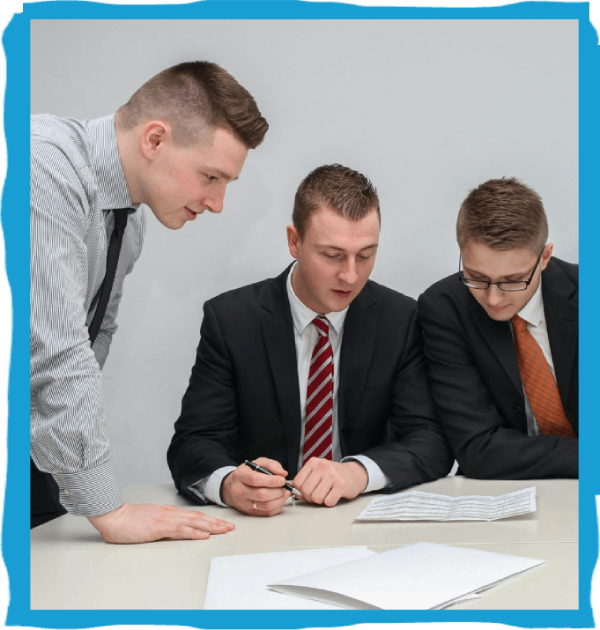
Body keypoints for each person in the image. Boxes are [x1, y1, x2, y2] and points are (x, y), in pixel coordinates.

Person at [30, 61, 269, 542]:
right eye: (210, 177)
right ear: (155, 139)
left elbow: (93, 337)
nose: (217, 202)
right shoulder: (42, 166)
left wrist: (65, 464)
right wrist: (110, 511)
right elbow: (58, 352)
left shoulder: (130, 218)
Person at [167, 164, 453, 516]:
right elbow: (193, 443)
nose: (350, 275)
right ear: (294, 241)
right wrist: (230, 485)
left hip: (358, 520)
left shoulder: (400, 319)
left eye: (365, 255)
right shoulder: (231, 320)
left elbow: (431, 441)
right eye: (332, 255)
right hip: (261, 527)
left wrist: (357, 472)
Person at [418, 177, 578, 479]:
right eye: (476, 276)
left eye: (513, 280)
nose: (492, 298)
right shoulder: (444, 308)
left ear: (544, 257)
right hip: (499, 494)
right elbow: (478, 448)